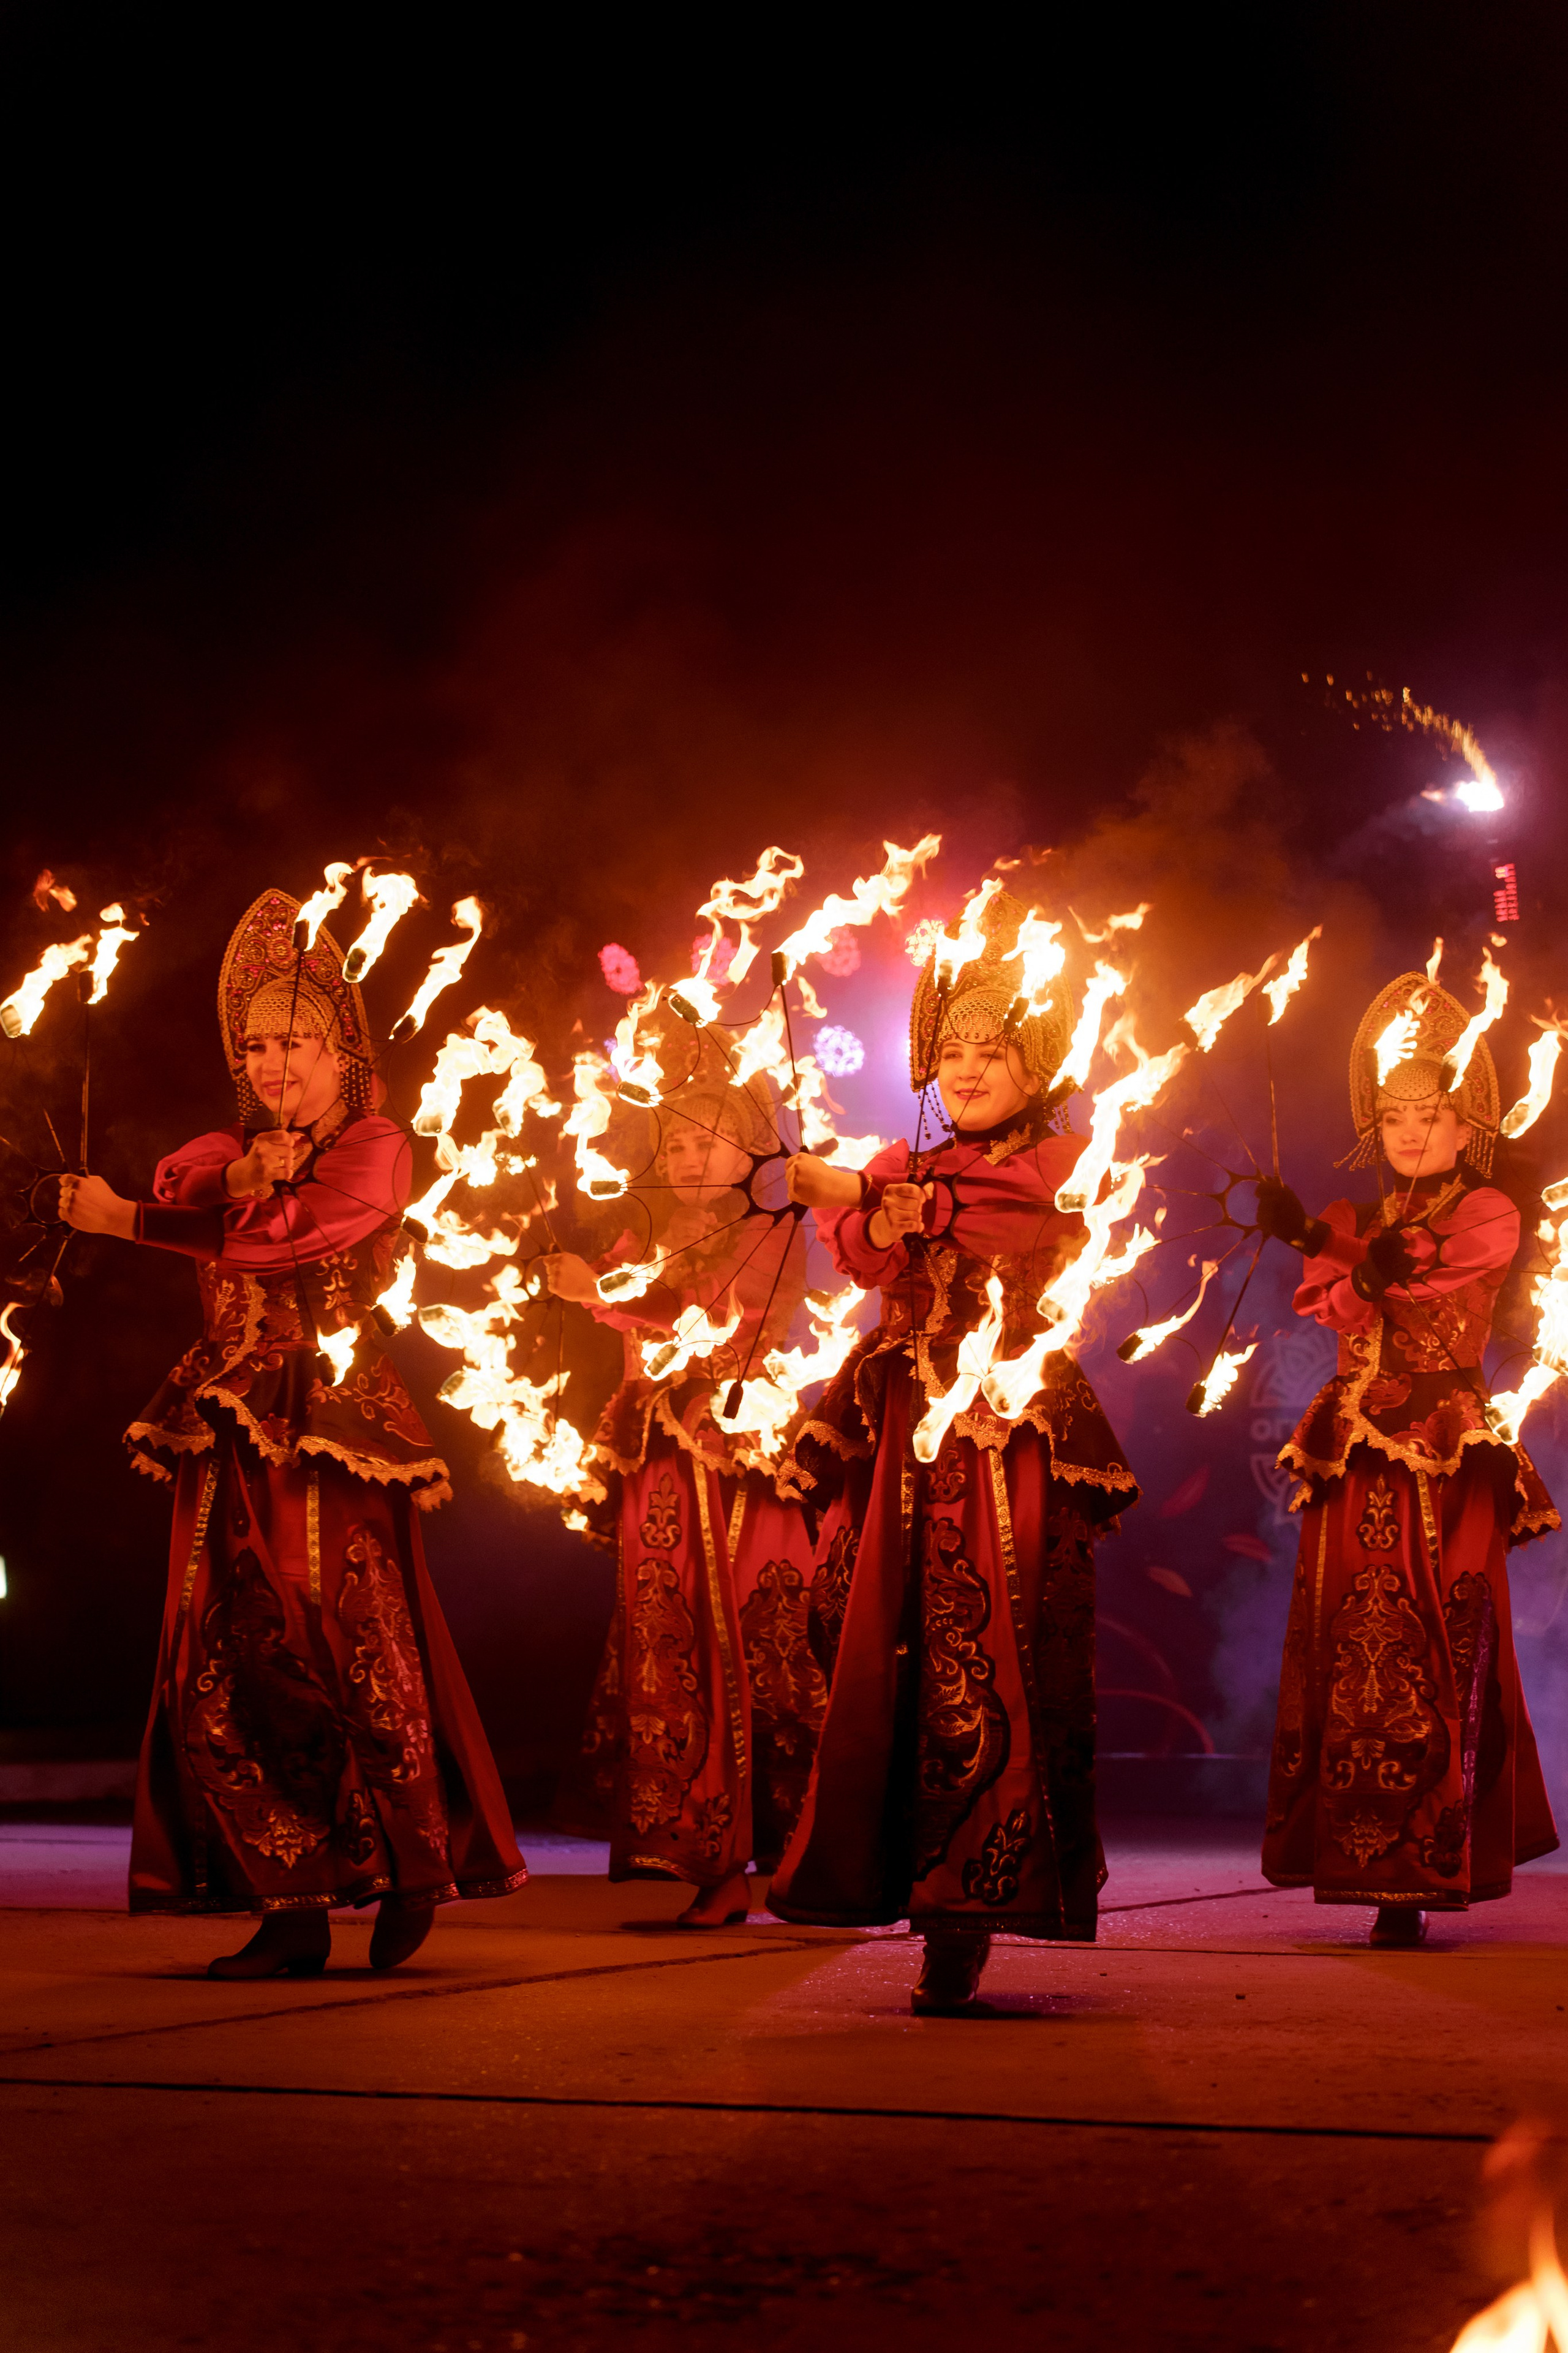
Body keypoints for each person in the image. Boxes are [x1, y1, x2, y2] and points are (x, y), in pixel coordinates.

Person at [60, 887, 526, 1978]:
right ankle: (290, 1896)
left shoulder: (377, 1146)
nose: (275, 1063)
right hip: (226, 1428)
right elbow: (192, 1182)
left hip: (330, 1433)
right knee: (225, 1651)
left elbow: (275, 1245)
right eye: (258, 1042)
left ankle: (409, 1867)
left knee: (348, 1640)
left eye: (298, 1043)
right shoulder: (227, 1144)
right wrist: (229, 1175)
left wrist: (128, 1219)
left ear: (342, 1050)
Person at [767, 891, 1140, 2014]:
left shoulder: (1068, 1153)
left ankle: (969, 1903)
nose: (970, 1068)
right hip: (904, 1448)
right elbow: (869, 1260)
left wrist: (882, 1197)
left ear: (1037, 1060)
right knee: (876, 1644)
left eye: (995, 1049)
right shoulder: (900, 1155)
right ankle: (895, 1876)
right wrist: (870, 1211)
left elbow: (1011, 1214)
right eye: (955, 1048)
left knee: (991, 1653)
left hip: (1004, 1442)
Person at [1254, 968, 1559, 1945]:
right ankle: (1360, 1859)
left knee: (1442, 1642)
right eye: (1393, 1117)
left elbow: (1420, 1283)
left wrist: (1351, 1256)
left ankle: (1434, 1859)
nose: (1412, 1132)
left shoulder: (1489, 1212)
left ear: (1467, 1123)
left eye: (1430, 1115)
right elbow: (1341, 1301)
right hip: (1356, 1455)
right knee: (1351, 1646)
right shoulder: (1361, 1222)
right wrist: (1320, 1239)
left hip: (1445, 1450)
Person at [545, 1056, 824, 1925]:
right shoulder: (646, 1228)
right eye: (674, 1140)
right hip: (658, 1461)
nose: (688, 1156)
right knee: (667, 1643)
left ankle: (763, 1856)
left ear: (750, 1148)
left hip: (734, 1452)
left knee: (745, 1651)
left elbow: (726, 1321)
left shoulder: (771, 1228)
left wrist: (611, 1300)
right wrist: (582, 1283)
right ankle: (707, 1855)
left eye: (708, 1139)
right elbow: (624, 1294)